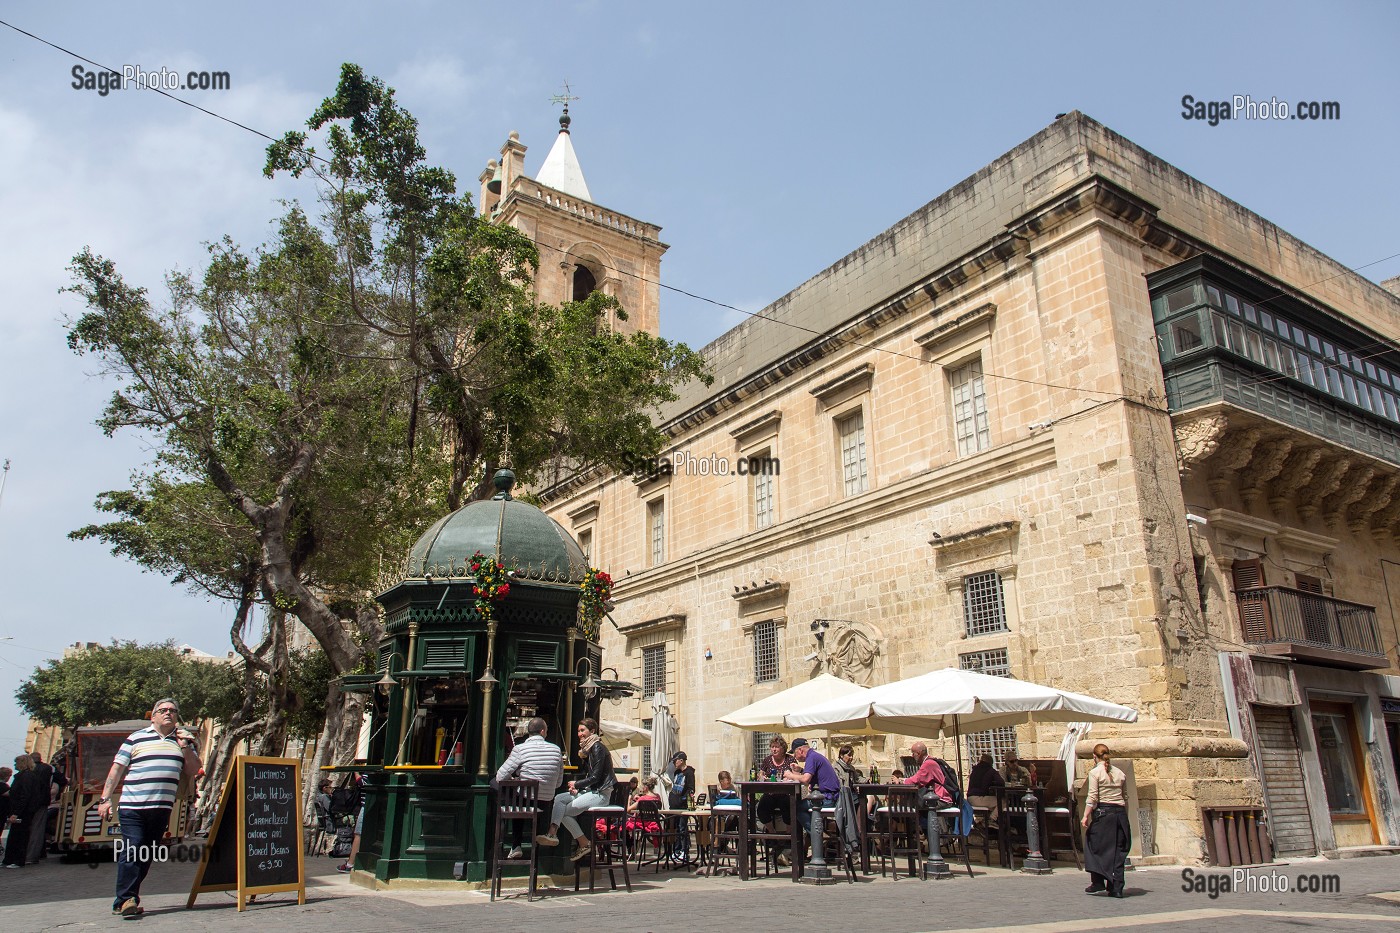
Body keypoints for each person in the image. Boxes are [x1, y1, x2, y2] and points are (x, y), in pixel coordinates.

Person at [96, 699, 201, 916]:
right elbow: (117, 770)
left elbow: (192, 770)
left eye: (173, 711)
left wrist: (184, 746)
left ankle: (125, 898)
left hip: (161, 808)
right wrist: (105, 799)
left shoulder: (183, 742)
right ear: (153, 716)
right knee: (133, 848)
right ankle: (127, 899)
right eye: (163, 710)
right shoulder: (136, 738)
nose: (168, 714)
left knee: (146, 853)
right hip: (132, 806)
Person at [535, 717, 615, 863]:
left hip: (601, 794)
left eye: (582, 730)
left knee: (564, 813)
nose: (579, 734)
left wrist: (576, 785)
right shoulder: (588, 749)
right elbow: (591, 777)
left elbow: (596, 777)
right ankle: (553, 834)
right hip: (592, 791)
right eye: (578, 731)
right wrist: (579, 788)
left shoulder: (597, 747)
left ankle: (582, 842)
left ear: (592, 731)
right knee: (559, 799)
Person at [492, 716, 564, 860]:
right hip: (545, 803)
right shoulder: (556, 750)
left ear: (528, 732)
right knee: (520, 796)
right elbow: (558, 783)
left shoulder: (520, 749)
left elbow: (500, 776)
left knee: (494, 783)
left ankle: (513, 843)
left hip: (523, 802)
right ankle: (525, 846)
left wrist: (514, 779)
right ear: (543, 731)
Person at [1081, 743, 1130, 898]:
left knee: (1092, 844)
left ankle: (1098, 881)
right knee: (1118, 851)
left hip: (1104, 814)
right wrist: (1124, 815)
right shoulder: (1120, 773)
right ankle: (1116, 887)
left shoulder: (1095, 772)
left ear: (1094, 757)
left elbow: (1092, 797)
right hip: (1120, 814)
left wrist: (1085, 815)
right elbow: (1125, 797)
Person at [785, 738, 840, 834]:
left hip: (827, 799)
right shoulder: (814, 756)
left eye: (794, 753)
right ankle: (818, 833)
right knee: (800, 805)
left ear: (800, 750)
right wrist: (801, 770)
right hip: (831, 797)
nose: (795, 756)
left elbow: (806, 780)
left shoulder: (811, 758)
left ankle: (817, 836)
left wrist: (790, 775)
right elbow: (810, 775)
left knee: (796, 807)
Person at [3, 755, 45, 868]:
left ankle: (17, 860)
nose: (15, 765)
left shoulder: (26, 777)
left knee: (20, 836)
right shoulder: (27, 776)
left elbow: (25, 795)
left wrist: (16, 812)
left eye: (16, 763)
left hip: (23, 811)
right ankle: (9, 859)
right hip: (22, 810)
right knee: (14, 835)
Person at [664, 751, 697, 861]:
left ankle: (684, 850)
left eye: (675, 760)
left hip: (682, 805)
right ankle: (676, 850)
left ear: (681, 760)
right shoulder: (677, 772)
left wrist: (684, 799)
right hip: (674, 804)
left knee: (682, 827)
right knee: (676, 827)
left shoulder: (689, 773)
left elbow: (691, 788)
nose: (674, 763)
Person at [966, 753, 1005, 819]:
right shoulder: (990, 771)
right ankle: (992, 819)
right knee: (1003, 801)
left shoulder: (974, 770)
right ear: (990, 763)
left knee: (994, 805)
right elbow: (1001, 782)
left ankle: (985, 822)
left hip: (970, 798)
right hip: (978, 798)